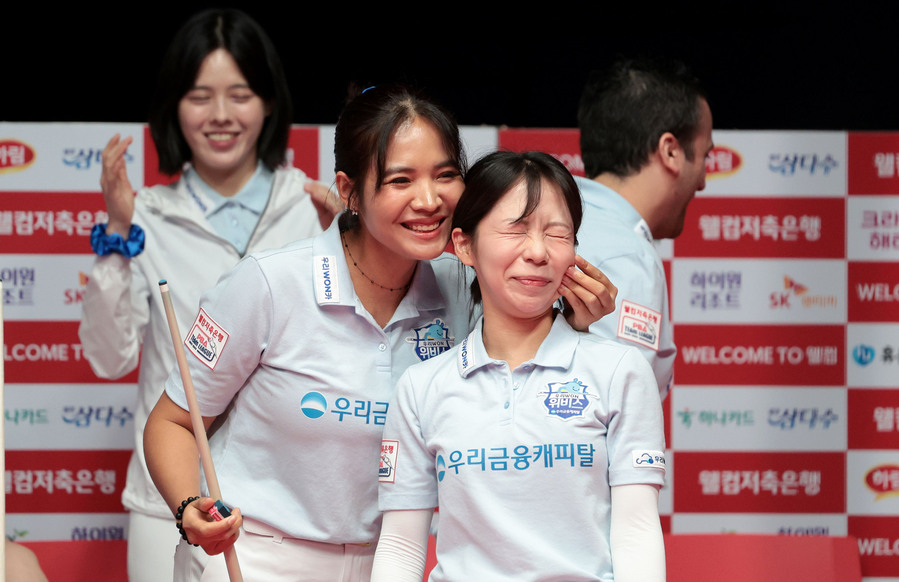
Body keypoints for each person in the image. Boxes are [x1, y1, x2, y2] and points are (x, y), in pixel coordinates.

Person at [143, 84, 616, 581]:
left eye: (446, 175)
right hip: (254, 557)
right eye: (400, 180)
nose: (429, 200)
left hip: (390, 561)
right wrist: (189, 507)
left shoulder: (465, 285)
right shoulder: (269, 284)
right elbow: (174, 422)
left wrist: (572, 320)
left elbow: (526, 391)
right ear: (349, 190)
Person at [77, 9, 336, 581]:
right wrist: (117, 233)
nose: (221, 115)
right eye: (200, 97)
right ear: (174, 107)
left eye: (239, 95)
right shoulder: (146, 216)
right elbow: (108, 357)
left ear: (268, 103)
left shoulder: (313, 209)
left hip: (289, 506)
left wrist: (349, 242)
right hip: (167, 503)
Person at [371, 150, 667, 582]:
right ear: (464, 245)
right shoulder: (422, 388)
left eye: (558, 234)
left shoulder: (619, 371)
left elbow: (636, 533)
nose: (538, 252)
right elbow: (400, 547)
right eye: (516, 229)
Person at [575, 56, 714, 399]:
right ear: (671, 151)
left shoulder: (547, 216)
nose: (703, 181)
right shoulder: (627, 255)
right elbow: (615, 408)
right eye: (705, 156)